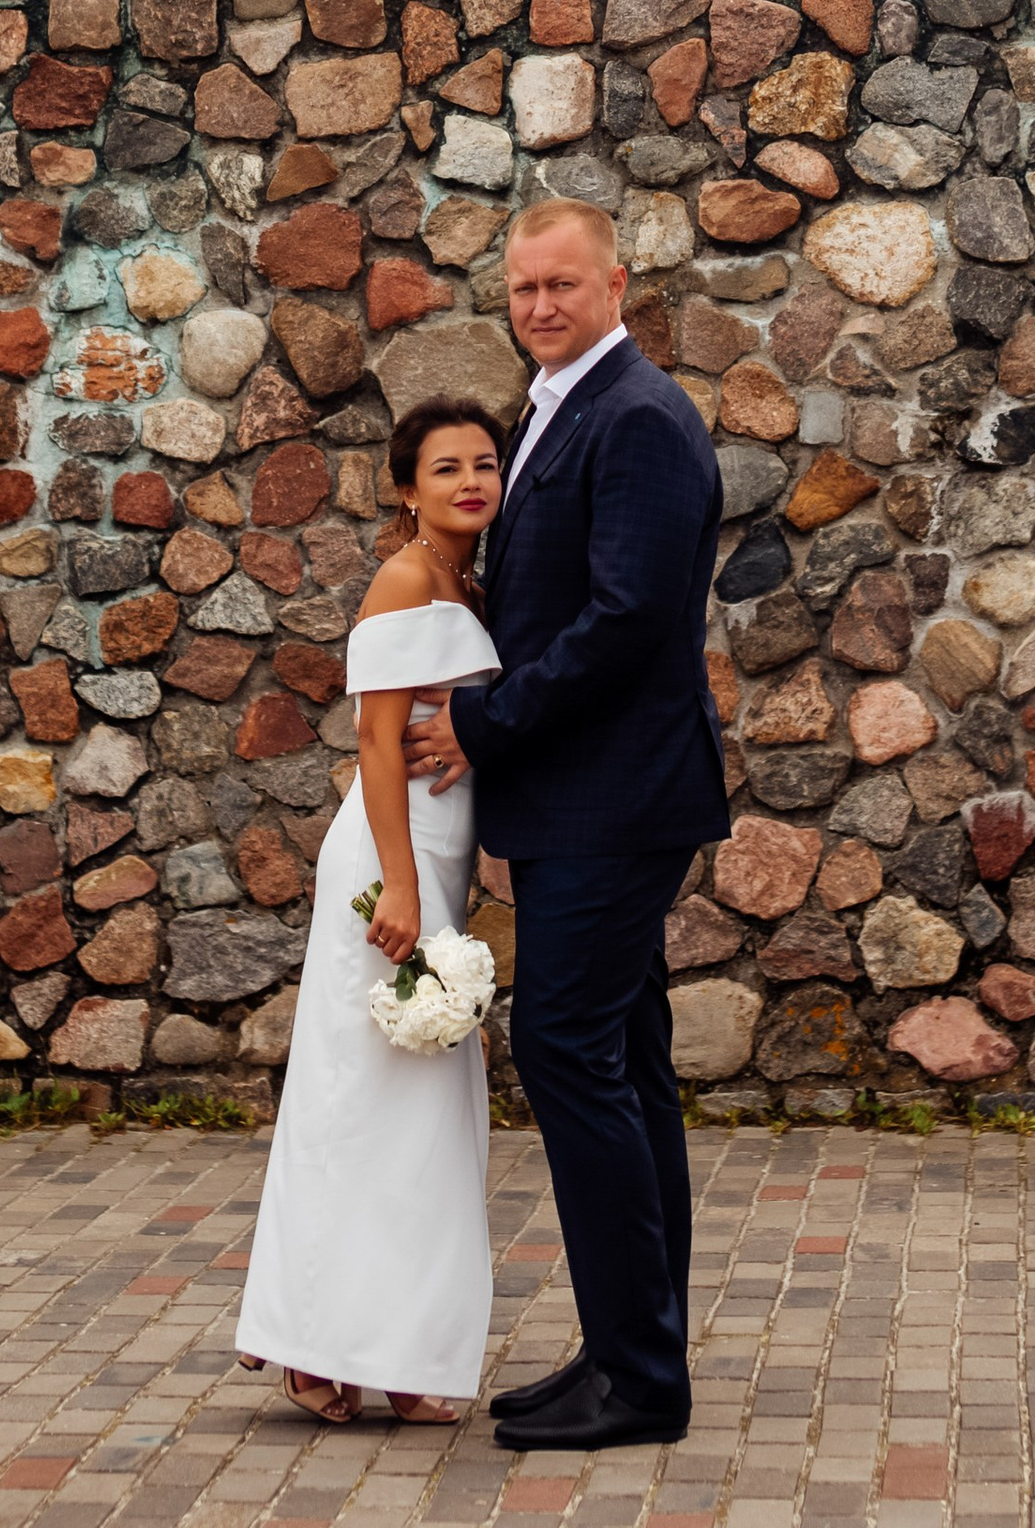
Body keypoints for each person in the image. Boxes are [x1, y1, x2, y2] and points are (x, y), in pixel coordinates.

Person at [406, 197, 728, 1454]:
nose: (541, 306)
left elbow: (627, 623)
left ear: (617, 285)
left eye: (563, 285)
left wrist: (485, 726)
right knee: (626, 1061)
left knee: (564, 1045)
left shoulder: (638, 417)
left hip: (616, 795)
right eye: (524, 287)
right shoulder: (558, 405)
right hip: (584, 799)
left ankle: (641, 1377)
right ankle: (626, 1348)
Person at [234, 394, 508, 1425]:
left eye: (483, 463)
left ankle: (400, 1349)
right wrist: (399, 883)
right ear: (405, 489)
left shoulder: (468, 581)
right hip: (389, 858)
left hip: (438, 860)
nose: (470, 481)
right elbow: (379, 742)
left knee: (426, 1119)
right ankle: (312, 1342)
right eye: (445, 468)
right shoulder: (403, 577)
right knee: (357, 1101)